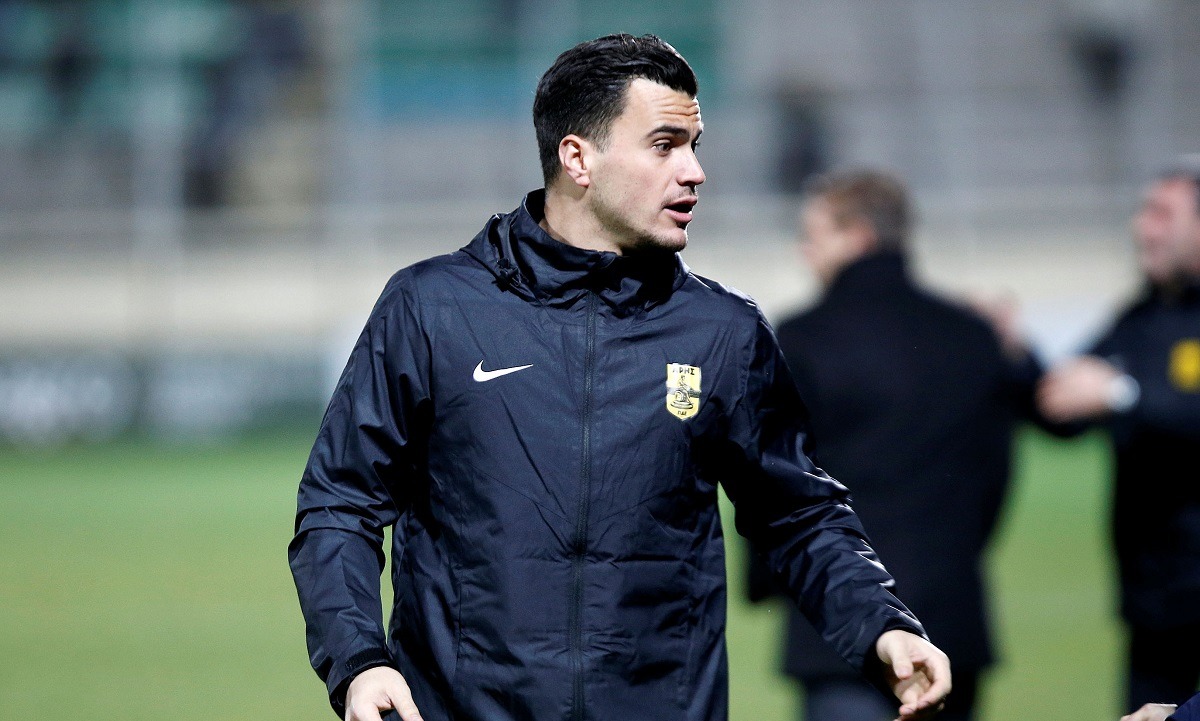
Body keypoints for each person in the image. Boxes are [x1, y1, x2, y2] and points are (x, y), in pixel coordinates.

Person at [288, 34, 951, 721]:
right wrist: (359, 660)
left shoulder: (722, 331)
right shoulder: (433, 309)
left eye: (694, 145)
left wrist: (882, 623)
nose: (694, 171)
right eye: (665, 145)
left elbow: (798, 514)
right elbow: (340, 501)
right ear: (578, 158)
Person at [744, 170, 1055, 721]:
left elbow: (773, 479)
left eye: (813, 235)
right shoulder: (971, 334)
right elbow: (995, 474)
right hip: (949, 614)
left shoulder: (802, 338)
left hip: (837, 621)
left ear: (858, 236)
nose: (803, 250)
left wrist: (767, 578)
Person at [1038, 157, 1200, 713]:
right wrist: (1012, 356)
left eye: (1162, 213)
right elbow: (1063, 405)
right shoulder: (1141, 317)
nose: (1142, 227)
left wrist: (1122, 395)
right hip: (1154, 597)